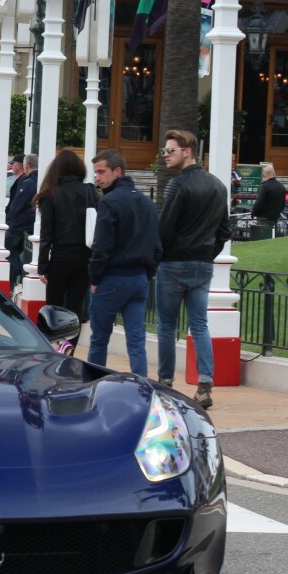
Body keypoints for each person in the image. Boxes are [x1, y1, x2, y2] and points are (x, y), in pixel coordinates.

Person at [156, 130, 231, 408]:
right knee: (199, 324)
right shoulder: (217, 186)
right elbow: (225, 230)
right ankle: (205, 383)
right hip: (202, 264)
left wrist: (161, 255)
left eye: (170, 150)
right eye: (164, 150)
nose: (165, 155)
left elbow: (164, 229)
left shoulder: (178, 186)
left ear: (187, 151)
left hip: (174, 264)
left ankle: (165, 383)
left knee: (166, 326)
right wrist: (207, 252)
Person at [86, 148, 161, 375]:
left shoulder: (110, 202)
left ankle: (94, 382)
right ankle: (142, 386)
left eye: (101, 172)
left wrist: (95, 277)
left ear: (117, 171)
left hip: (112, 277)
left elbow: (102, 245)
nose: (97, 177)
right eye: (96, 172)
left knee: (99, 339)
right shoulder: (147, 203)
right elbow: (157, 245)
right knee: (136, 341)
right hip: (138, 279)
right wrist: (147, 273)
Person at [34, 149, 98, 330]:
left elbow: (46, 233)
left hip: (60, 257)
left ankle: (55, 349)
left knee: (53, 309)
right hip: (85, 257)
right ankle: (70, 348)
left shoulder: (51, 193)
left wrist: (43, 267)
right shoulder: (89, 191)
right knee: (75, 309)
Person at [6, 153, 38, 291]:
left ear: (25, 165)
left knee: (6, 248)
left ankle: (14, 279)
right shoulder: (34, 179)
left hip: (20, 224)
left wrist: (10, 221)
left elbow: (17, 205)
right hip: (24, 224)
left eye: (13, 164)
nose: (12, 166)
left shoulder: (29, 181)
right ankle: (15, 279)